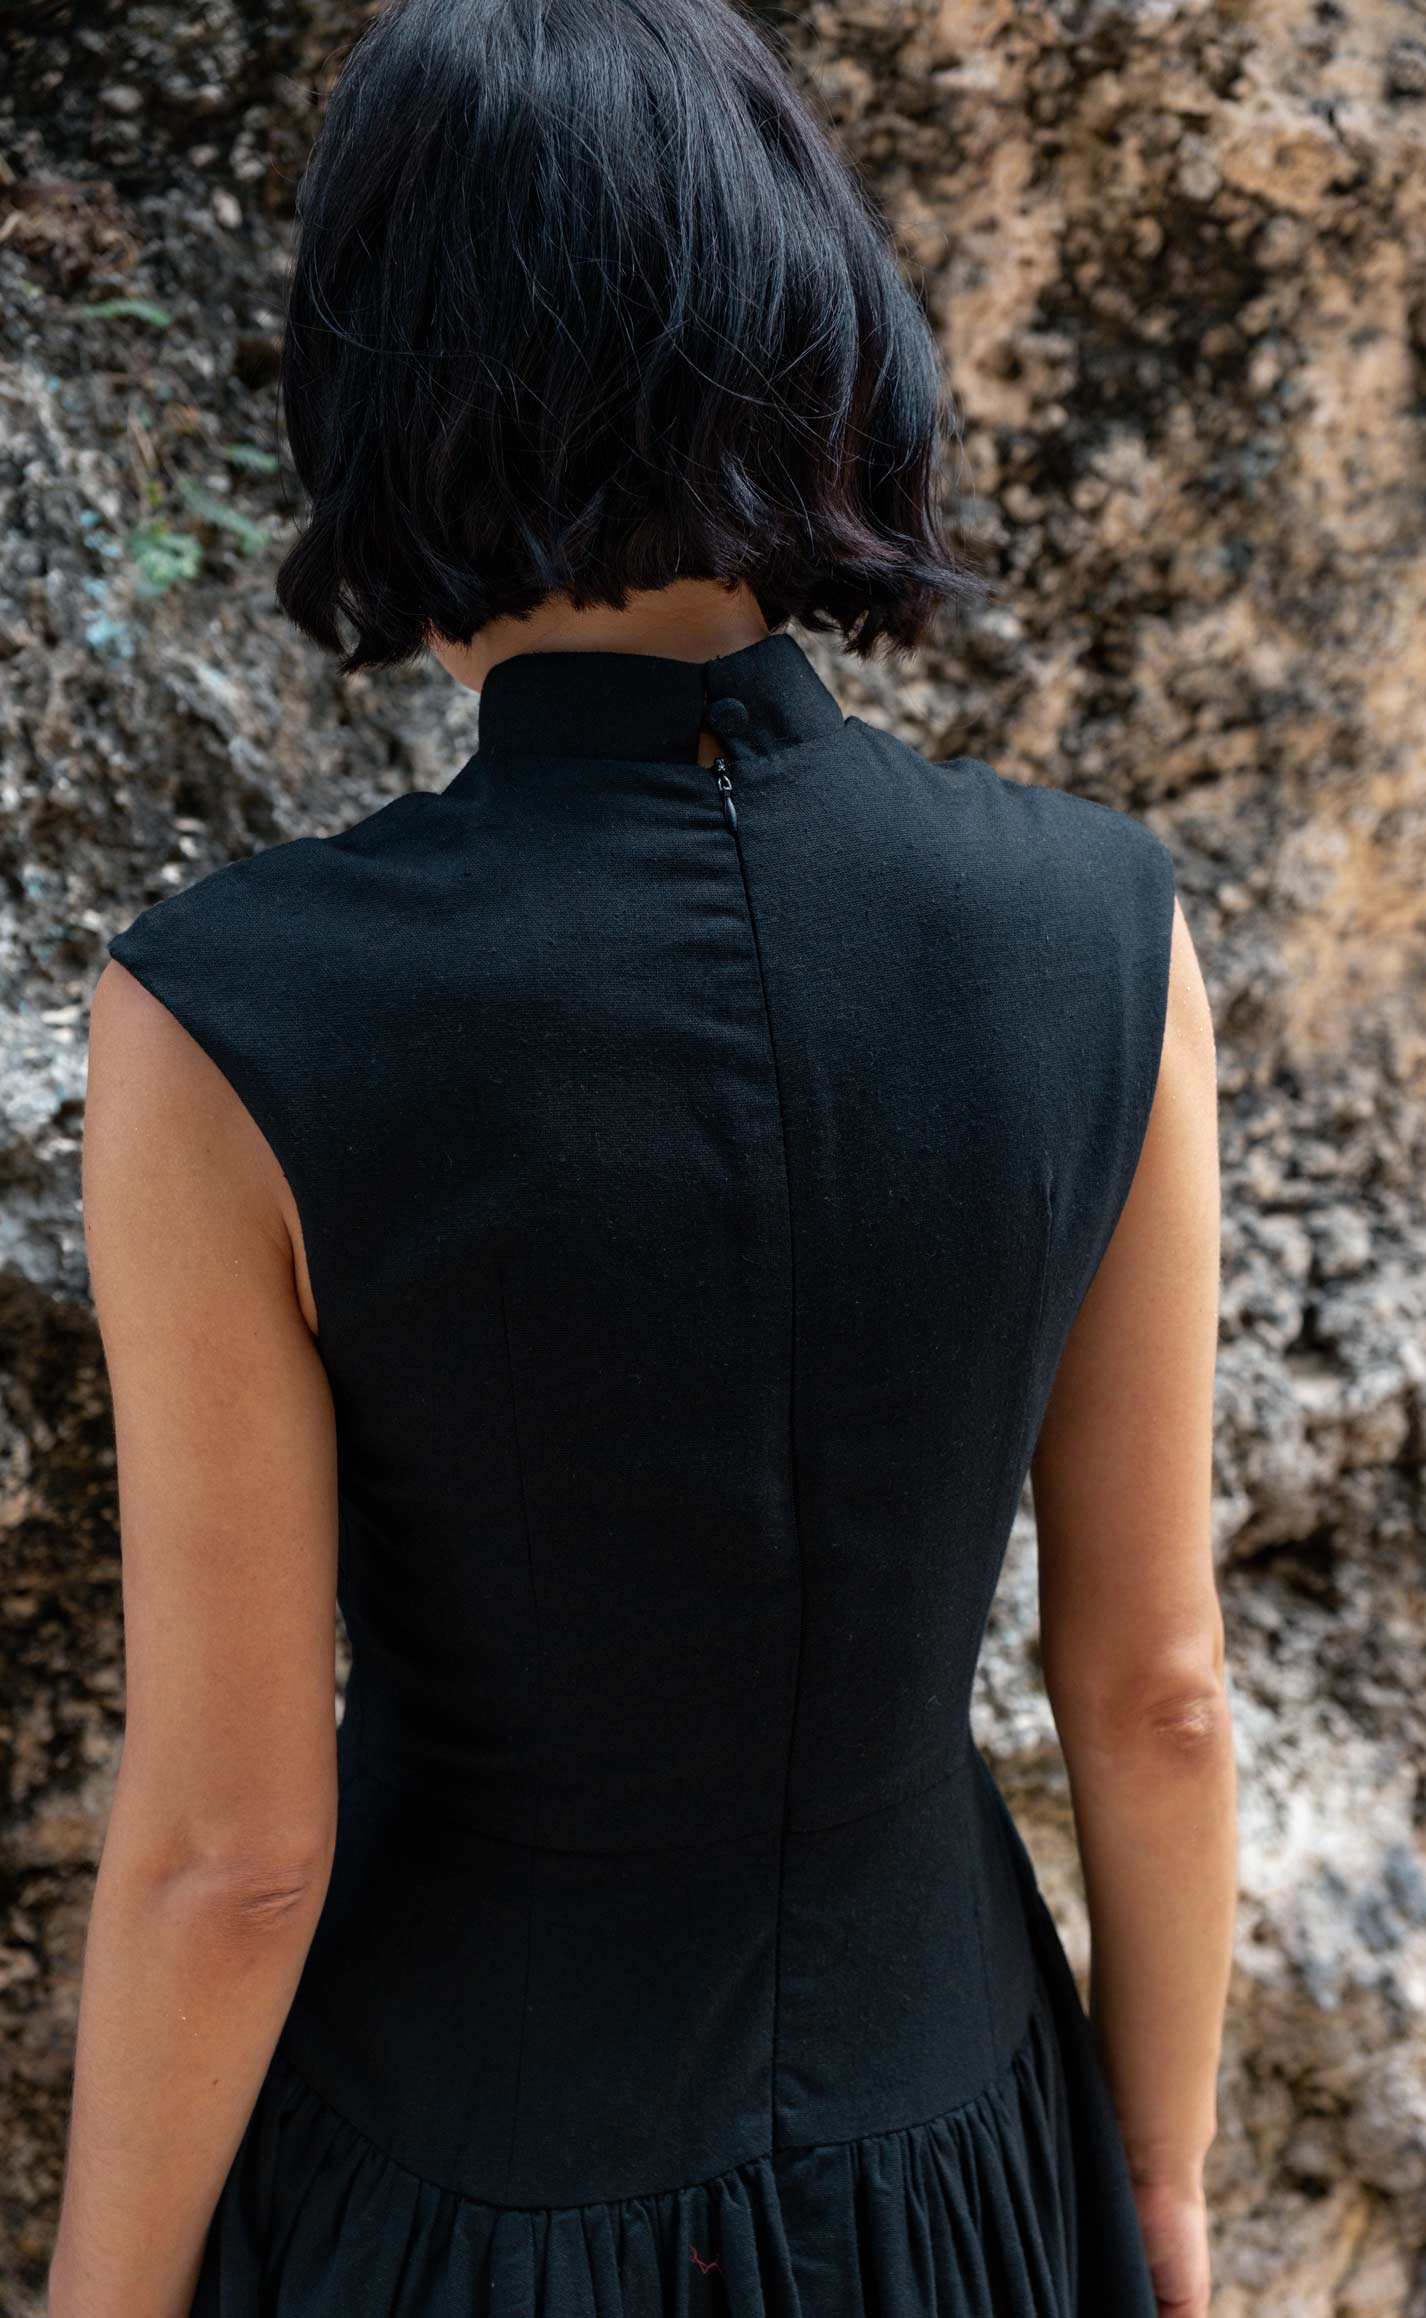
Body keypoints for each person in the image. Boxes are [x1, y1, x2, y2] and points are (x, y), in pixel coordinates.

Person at [51, 0, 1235, 2312]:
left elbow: (229, 1853)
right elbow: (1155, 1690)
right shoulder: (1107, 932)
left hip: (461, 2199)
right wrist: (1158, 2187)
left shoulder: (227, 1016)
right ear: (820, 339)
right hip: (962, 2158)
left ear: (383, 384)